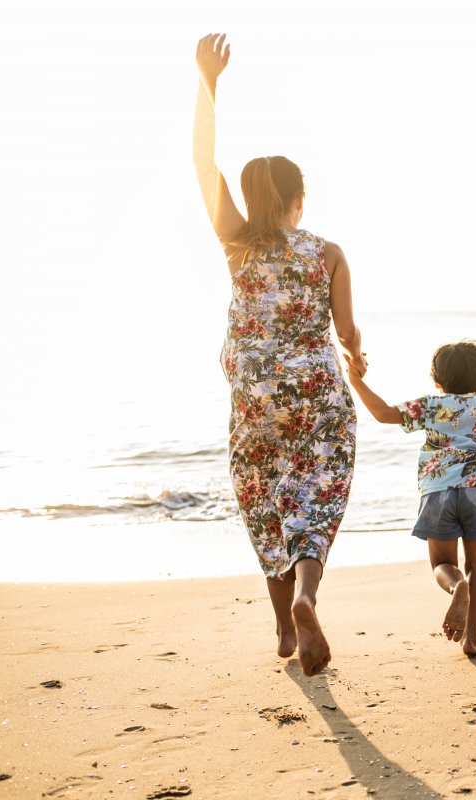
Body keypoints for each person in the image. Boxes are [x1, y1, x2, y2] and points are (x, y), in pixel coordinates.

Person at [193, 34, 366, 676]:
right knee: (319, 495)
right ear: (301, 199)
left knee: (263, 499)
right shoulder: (327, 252)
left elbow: (200, 160)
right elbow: (346, 331)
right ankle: (306, 596)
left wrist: (207, 83)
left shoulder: (234, 242)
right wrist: (357, 355)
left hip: (254, 395)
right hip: (317, 390)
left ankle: (282, 627)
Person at [343, 341, 476, 657]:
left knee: (443, 563)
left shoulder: (430, 406)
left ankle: (457, 587)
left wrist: (356, 379)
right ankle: (471, 639)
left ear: (436, 378)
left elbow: (384, 413)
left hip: (439, 492)